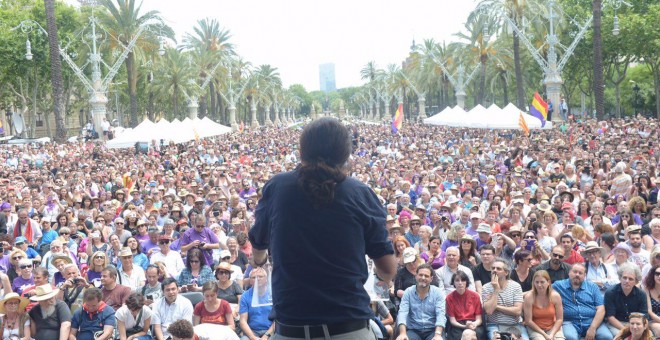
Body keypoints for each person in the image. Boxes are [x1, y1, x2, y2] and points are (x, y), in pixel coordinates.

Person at [249, 118, 396, 338]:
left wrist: (260, 259)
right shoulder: (360, 192)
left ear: (301, 151)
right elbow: (388, 270)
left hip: (291, 330)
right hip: (349, 329)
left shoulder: (278, 187)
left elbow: (258, 249)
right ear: (346, 154)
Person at [552, 263, 611, 340]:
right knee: (570, 337)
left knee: (607, 337)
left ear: (585, 275)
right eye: (575, 272)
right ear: (569, 272)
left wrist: (592, 328)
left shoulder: (592, 287)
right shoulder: (558, 285)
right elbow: (543, 290)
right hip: (569, 322)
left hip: (591, 321)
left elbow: (601, 309)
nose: (577, 275)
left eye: (580, 273)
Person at [481, 258, 528, 340]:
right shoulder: (486, 287)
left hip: (515, 324)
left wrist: (496, 306)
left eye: (498, 269)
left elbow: (517, 311)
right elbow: (489, 311)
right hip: (495, 325)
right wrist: (496, 290)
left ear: (506, 272)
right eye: (493, 268)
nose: (494, 270)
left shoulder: (515, 286)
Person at [396, 264, 446, 340]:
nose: (423, 278)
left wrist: (438, 334)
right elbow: (403, 312)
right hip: (413, 330)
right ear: (416, 276)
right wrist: (403, 333)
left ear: (431, 279)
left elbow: (440, 314)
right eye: (420, 275)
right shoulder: (408, 292)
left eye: (426, 276)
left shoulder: (438, 293)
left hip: (433, 330)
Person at [604, 263, 647, 337]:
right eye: (624, 278)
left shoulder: (641, 294)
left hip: (635, 324)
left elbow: (644, 315)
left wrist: (634, 328)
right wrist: (627, 330)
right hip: (616, 324)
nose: (627, 281)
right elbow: (610, 317)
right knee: (624, 337)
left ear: (636, 282)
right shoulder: (610, 292)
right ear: (620, 278)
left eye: (630, 279)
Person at [522, 270, 565, 340]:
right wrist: (544, 334)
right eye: (537, 282)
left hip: (552, 327)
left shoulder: (555, 296)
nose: (539, 285)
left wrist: (551, 334)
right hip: (535, 328)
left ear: (548, 282)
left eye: (542, 282)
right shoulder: (529, 297)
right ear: (533, 283)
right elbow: (528, 321)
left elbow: (559, 319)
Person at [445, 270, 484, 340]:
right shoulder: (449, 297)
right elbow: (452, 321)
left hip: (474, 324)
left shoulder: (475, 296)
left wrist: (473, 324)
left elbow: (479, 319)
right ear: (453, 282)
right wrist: (464, 326)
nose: (460, 283)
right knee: (466, 335)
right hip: (457, 326)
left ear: (466, 282)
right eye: (457, 280)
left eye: (463, 280)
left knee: (467, 334)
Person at [239, 267, 275, 340]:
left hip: (271, 332)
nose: (257, 279)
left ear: (266, 279)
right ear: (250, 281)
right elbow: (243, 321)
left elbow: (278, 320)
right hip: (252, 331)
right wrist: (252, 337)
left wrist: (266, 336)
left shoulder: (273, 294)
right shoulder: (245, 296)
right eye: (253, 277)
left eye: (260, 276)